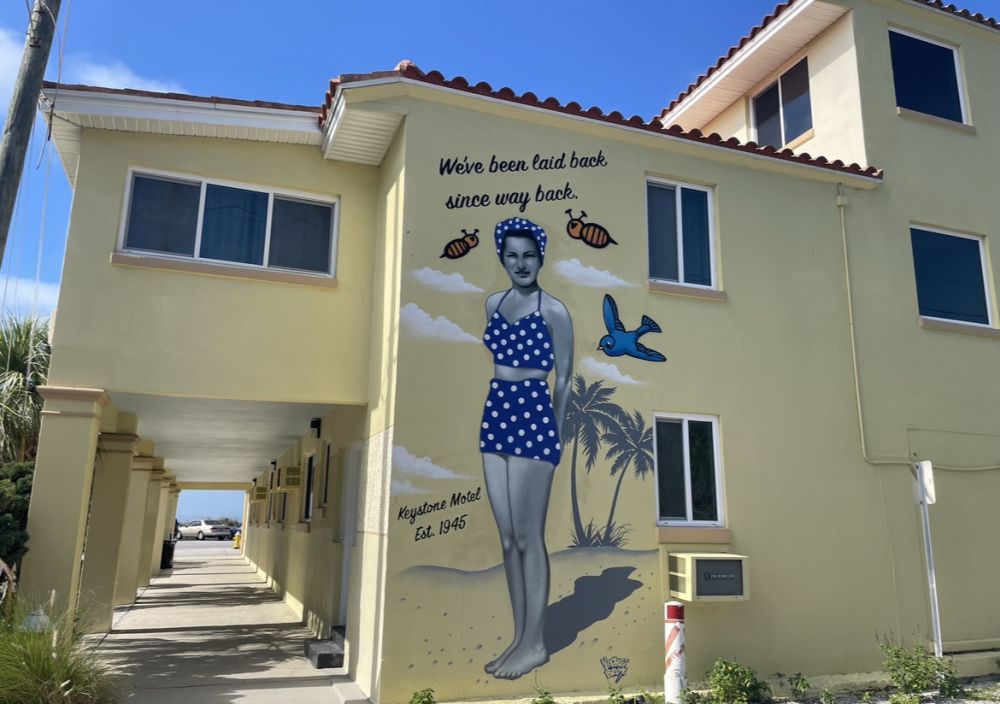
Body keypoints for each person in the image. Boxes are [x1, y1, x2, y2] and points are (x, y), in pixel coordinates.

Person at [479, 216, 573, 680]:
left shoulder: (553, 309)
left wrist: (554, 434)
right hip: (496, 410)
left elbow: (566, 378)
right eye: (512, 255)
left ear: (541, 257)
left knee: (529, 535)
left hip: (534, 416)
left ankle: (535, 643)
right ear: (503, 257)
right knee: (508, 538)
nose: (521, 263)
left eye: (529, 255)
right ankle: (520, 638)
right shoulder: (492, 303)